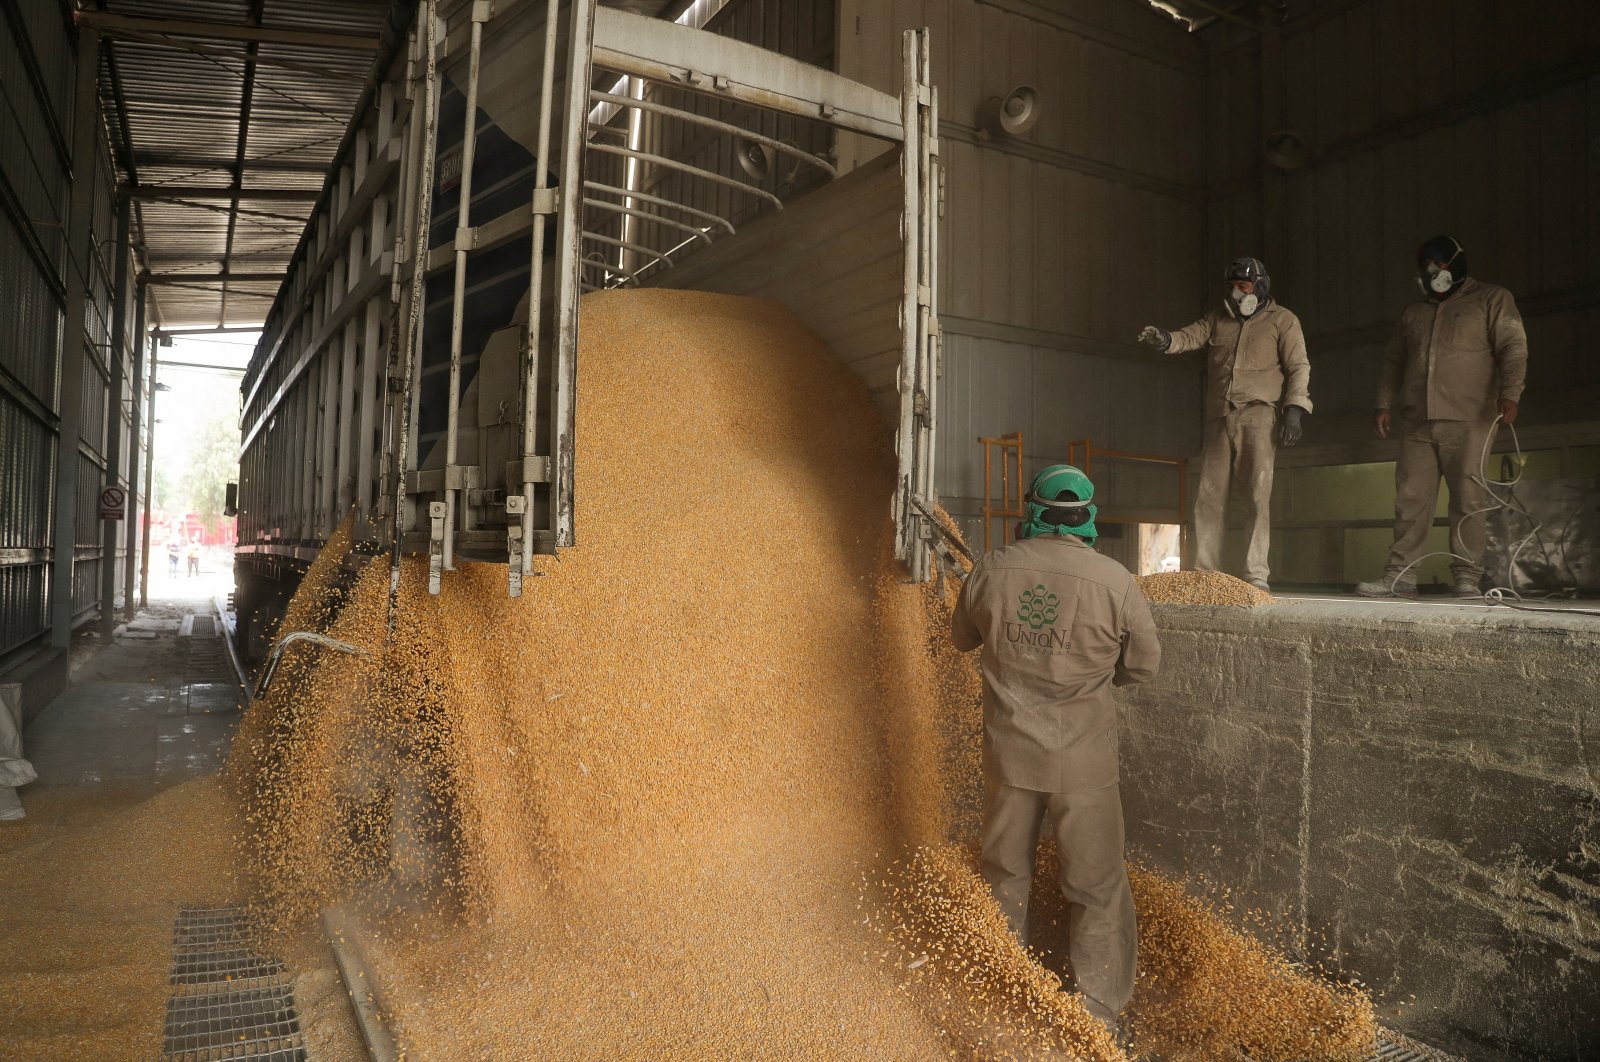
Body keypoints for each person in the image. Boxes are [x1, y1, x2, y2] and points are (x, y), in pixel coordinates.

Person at [951, 465, 1161, 1036]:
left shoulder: (992, 569)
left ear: (1032, 510)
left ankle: (1000, 997)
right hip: (1084, 764)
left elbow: (961, 638)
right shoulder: (1115, 581)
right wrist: (1090, 676)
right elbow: (1142, 667)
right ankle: (1096, 1016)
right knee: (1095, 887)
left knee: (1002, 873)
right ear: (1089, 517)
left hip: (1010, 757)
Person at [1356, 236, 1528, 599]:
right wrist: (1383, 402)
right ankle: (1400, 577)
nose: (1433, 272)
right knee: (1409, 499)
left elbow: (1513, 346)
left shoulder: (1492, 299)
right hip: (1418, 419)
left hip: (1470, 417)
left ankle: (1467, 576)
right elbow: (1393, 361)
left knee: (1468, 499)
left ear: (1457, 264)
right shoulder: (1414, 311)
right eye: (1427, 266)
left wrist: (1510, 393)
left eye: (1440, 264)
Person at [1138, 257, 1312, 592]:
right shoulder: (1218, 319)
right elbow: (1190, 336)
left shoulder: (1283, 320)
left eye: (1242, 286)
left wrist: (1295, 409)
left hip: (1259, 415)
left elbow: (1299, 366)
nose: (1235, 292)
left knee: (1257, 496)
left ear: (1260, 286)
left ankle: (1255, 575)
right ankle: (1206, 575)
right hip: (1220, 417)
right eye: (1232, 286)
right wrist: (1165, 339)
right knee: (1208, 497)